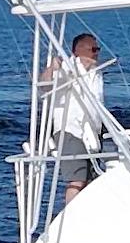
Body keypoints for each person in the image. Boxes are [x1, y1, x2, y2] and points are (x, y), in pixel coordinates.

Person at [39, 31, 108, 199]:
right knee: (77, 180)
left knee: (91, 180)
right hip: (71, 130)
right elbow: (44, 85)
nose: (97, 53)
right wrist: (52, 68)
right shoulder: (67, 68)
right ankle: (71, 210)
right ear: (80, 50)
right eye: (94, 49)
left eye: (97, 49)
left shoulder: (96, 71)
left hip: (92, 131)